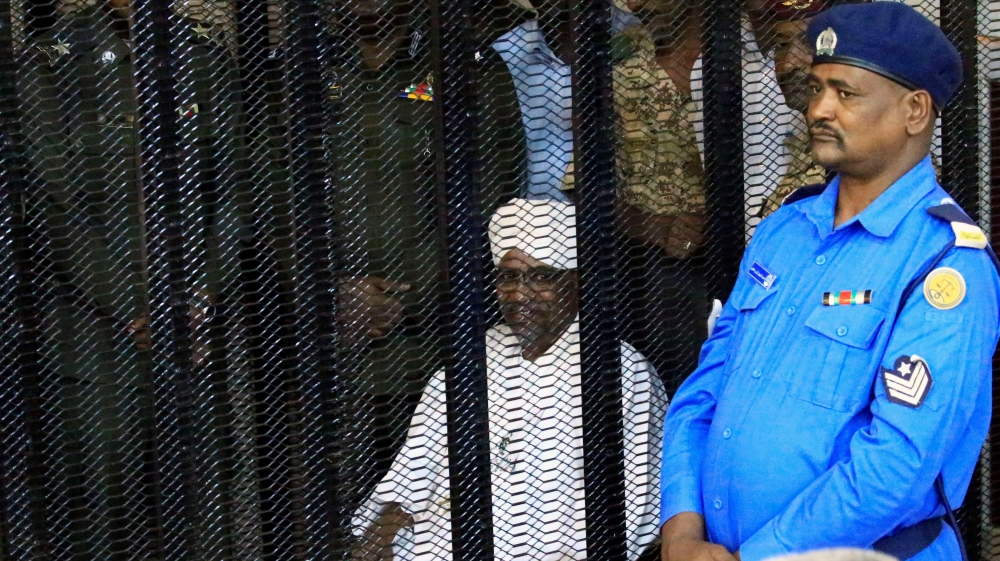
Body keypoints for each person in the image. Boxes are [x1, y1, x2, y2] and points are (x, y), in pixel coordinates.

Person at [660, 4, 1000, 561]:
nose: (818, 108)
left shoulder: (945, 264)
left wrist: (758, 555)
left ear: (915, 111)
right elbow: (704, 391)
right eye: (817, 89)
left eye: (845, 93)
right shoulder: (782, 231)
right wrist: (680, 530)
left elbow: (896, 467)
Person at [16, 0, 289, 555]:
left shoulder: (206, 59)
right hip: (93, 345)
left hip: (193, 336)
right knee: (96, 516)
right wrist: (137, 307)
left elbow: (235, 191)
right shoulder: (49, 62)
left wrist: (196, 300)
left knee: (200, 510)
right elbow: (51, 204)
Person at [351, 198, 667, 560]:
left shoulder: (618, 372)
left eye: (542, 276)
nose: (519, 294)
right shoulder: (475, 358)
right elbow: (413, 471)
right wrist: (379, 535)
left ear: (577, 282)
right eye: (508, 277)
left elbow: (629, 514)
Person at [319, 0, 525, 509]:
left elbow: (494, 193)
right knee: (340, 505)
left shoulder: (463, 62)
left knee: (441, 496)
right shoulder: (294, 66)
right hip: (322, 337)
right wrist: (333, 290)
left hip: (437, 334)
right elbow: (266, 189)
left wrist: (401, 297)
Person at [609, 0, 707, 393]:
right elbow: (588, 188)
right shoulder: (619, 71)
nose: (635, 3)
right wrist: (655, 225)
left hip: (756, 255)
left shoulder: (758, 58)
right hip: (659, 270)